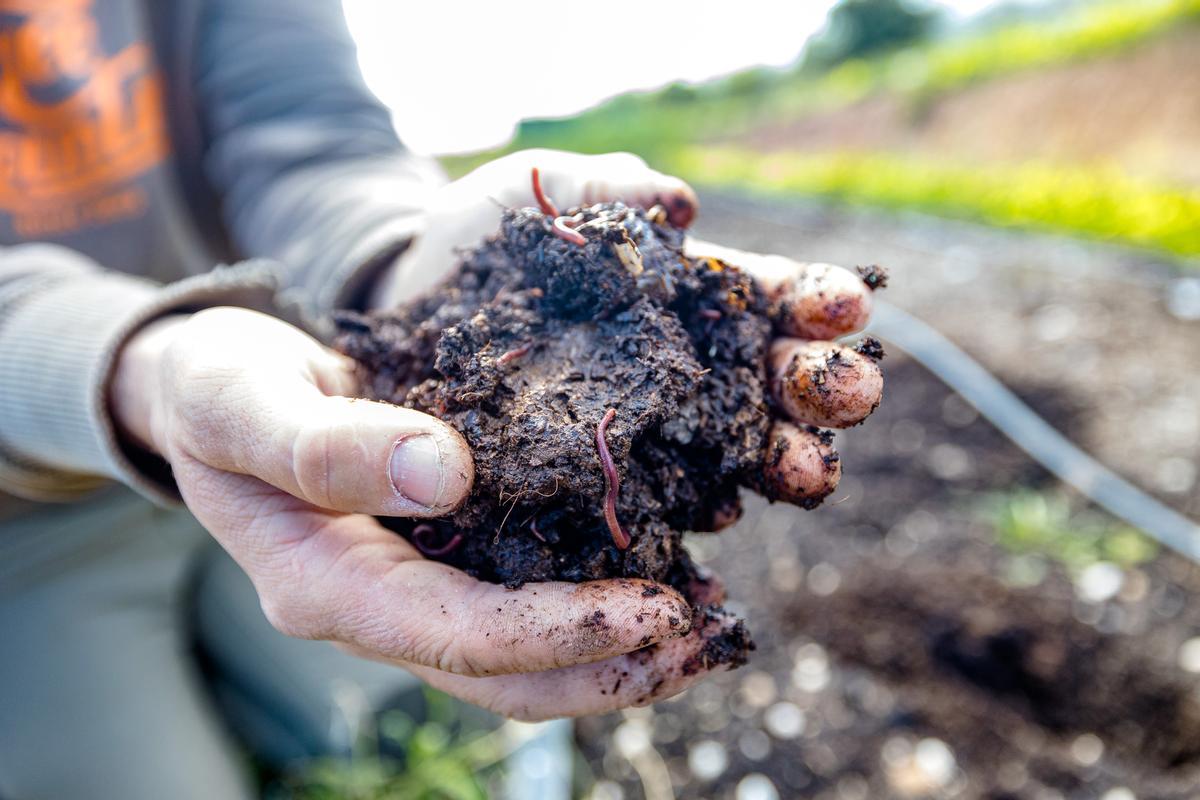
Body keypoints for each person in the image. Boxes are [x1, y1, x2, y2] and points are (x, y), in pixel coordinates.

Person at [0, 1, 879, 798]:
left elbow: (316, 141)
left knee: (426, 723)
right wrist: (142, 371)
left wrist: (402, 265)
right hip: (27, 512)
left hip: (290, 412)